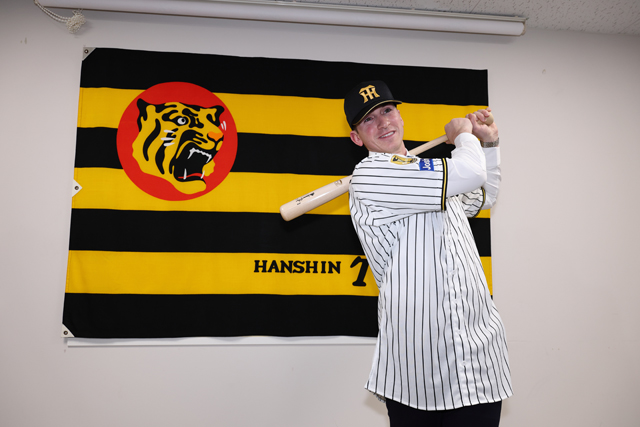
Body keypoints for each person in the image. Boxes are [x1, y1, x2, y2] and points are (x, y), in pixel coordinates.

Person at [343, 81, 512, 427]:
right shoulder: (370, 175)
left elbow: (484, 194)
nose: (383, 122)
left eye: (387, 110)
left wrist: (489, 143)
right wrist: (463, 136)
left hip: (478, 357)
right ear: (356, 138)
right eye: (369, 119)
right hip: (420, 371)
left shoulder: (430, 173)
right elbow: (470, 172)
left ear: (400, 116)